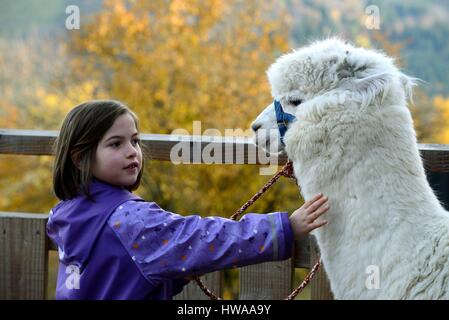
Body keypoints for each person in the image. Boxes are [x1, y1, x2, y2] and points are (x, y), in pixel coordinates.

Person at [47, 100, 329, 300]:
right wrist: (283, 228)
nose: (132, 151)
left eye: (134, 140)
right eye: (115, 144)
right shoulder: (130, 221)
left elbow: (118, 276)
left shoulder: (66, 215)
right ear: (80, 157)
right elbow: (203, 239)